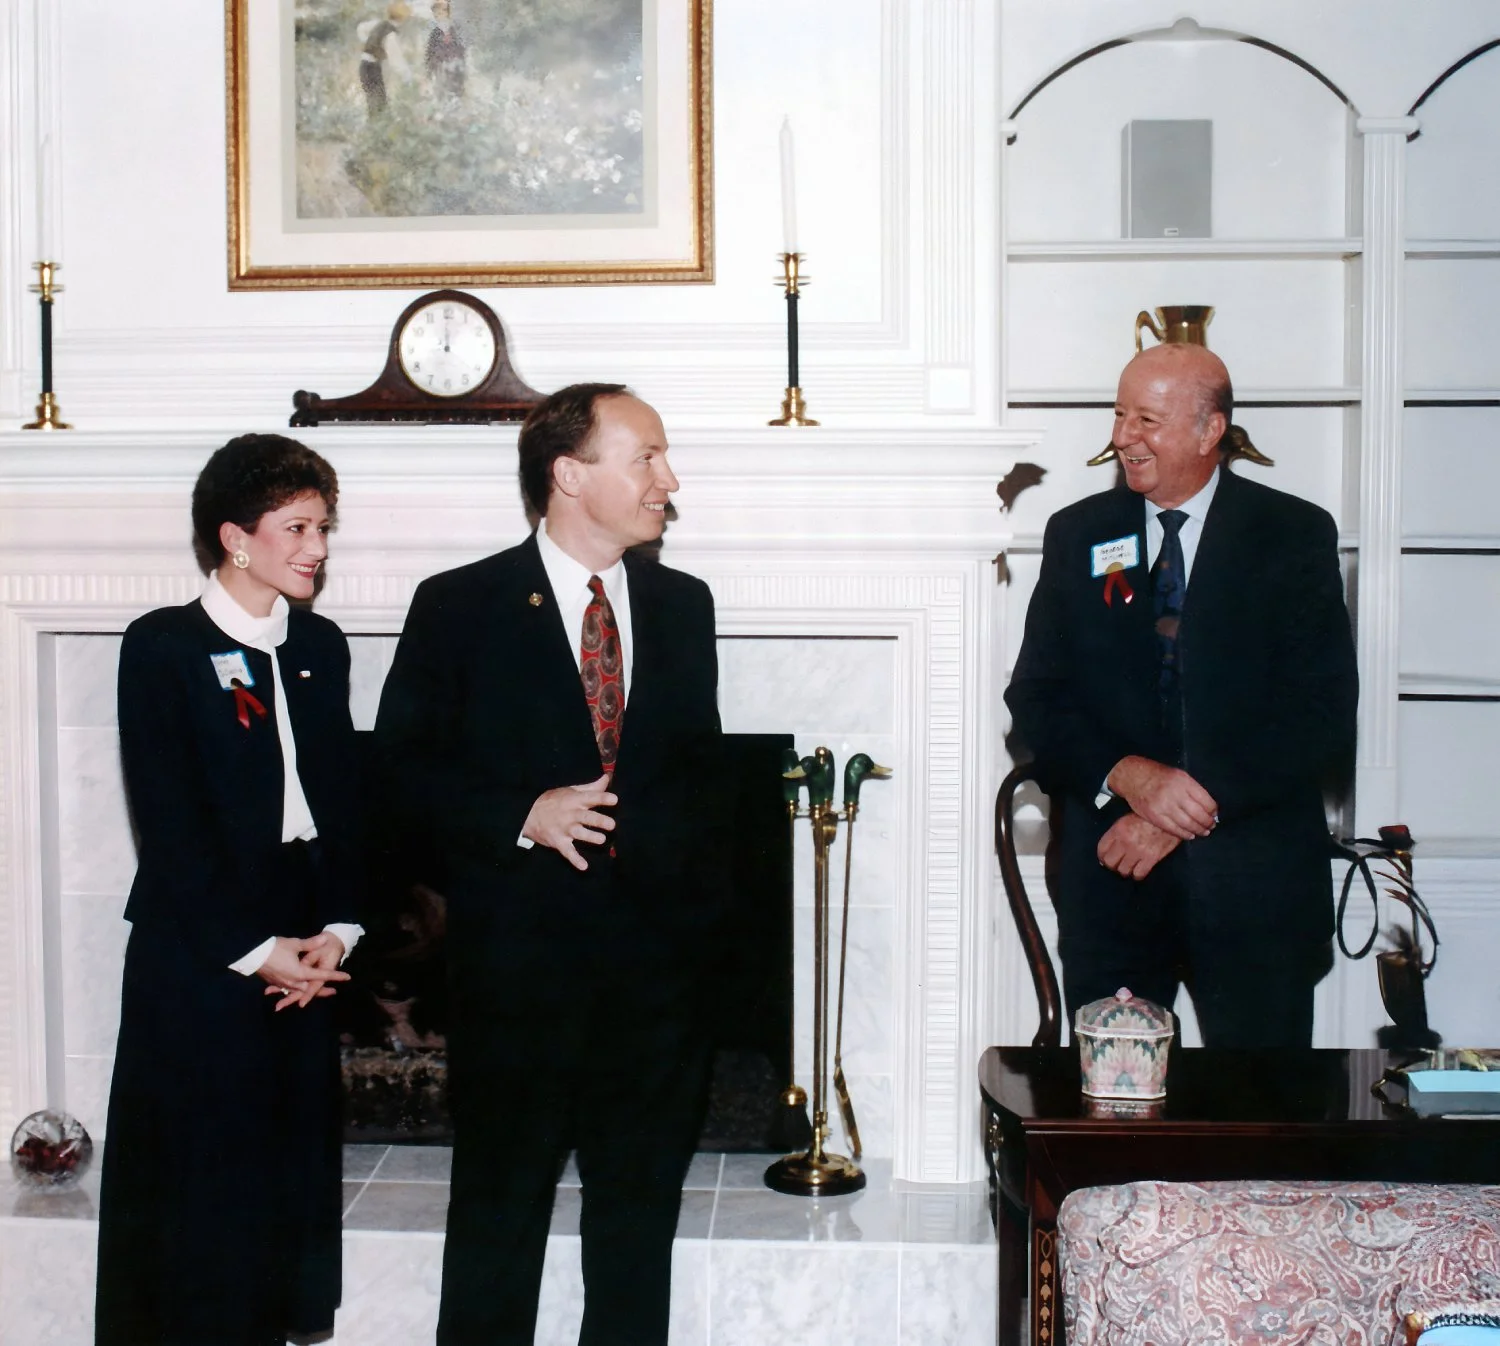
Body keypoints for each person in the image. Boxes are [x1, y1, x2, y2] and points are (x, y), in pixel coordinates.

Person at [375, 384, 728, 1346]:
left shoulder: (683, 606)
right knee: (497, 1229)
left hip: (654, 995)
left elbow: (693, 789)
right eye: (646, 458)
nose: (670, 479)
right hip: (518, 983)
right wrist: (520, 814)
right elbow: (397, 776)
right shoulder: (460, 606)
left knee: (633, 1240)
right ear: (570, 475)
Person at [1005, 343, 1358, 1048]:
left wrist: (1176, 811)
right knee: (1113, 1118)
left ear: (1209, 431)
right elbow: (1037, 701)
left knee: (1263, 1123)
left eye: (1146, 420)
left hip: (1253, 888)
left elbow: (1318, 716)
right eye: (1118, 415)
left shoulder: (1292, 535)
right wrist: (1131, 778)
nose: (1122, 438)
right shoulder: (1079, 534)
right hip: (1113, 883)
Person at [95, 435, 365, 1346]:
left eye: (323, 525)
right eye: (297, 527)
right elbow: (169, 827)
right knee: (199, 1204)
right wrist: (257, 953)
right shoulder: (163, 646)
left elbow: (345, 805)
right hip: (203, 955)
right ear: (235, 539)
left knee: (281, 1188)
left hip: (302, 950)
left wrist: (337, 930)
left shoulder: (321, 646)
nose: (317, 546)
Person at [357, 2, 412, 118]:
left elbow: (361, 28)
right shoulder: (390, 35)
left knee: (374, 101)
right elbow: (396, 61)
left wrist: (367, 42)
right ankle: (376, 128)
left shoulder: (378, 23)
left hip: (364, 66)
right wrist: (408, 76)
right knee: (379, 104)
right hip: (372, 68)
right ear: (403, 18)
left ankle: (375, 125)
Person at [425, 0, 467, 99]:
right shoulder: (435, 33)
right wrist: (429, 71)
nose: (438, 16)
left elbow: (461, 50)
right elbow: (430, 53)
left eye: (440, 13)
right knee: (442, 95)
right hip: (440, 69)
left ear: (447, 13)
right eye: (435, 13)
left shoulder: (454, 30)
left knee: (456, 95)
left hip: (455, 69)